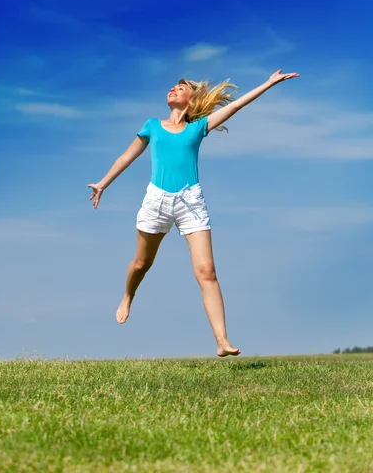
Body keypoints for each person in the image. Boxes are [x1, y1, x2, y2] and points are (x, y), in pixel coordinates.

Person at [87, 69, 299, 357]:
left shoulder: (197, 127)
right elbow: (126, 156)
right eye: (172, 87)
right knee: (140, 264)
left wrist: (269, 83)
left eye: (180, 88)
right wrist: (103, 184)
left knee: (207, 271)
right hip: (156, 202)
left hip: (191, 202)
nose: (172, 89)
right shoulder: (152, 125)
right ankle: (128, 295)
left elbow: (236, 105)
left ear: (191, 99)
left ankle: (222, 341)